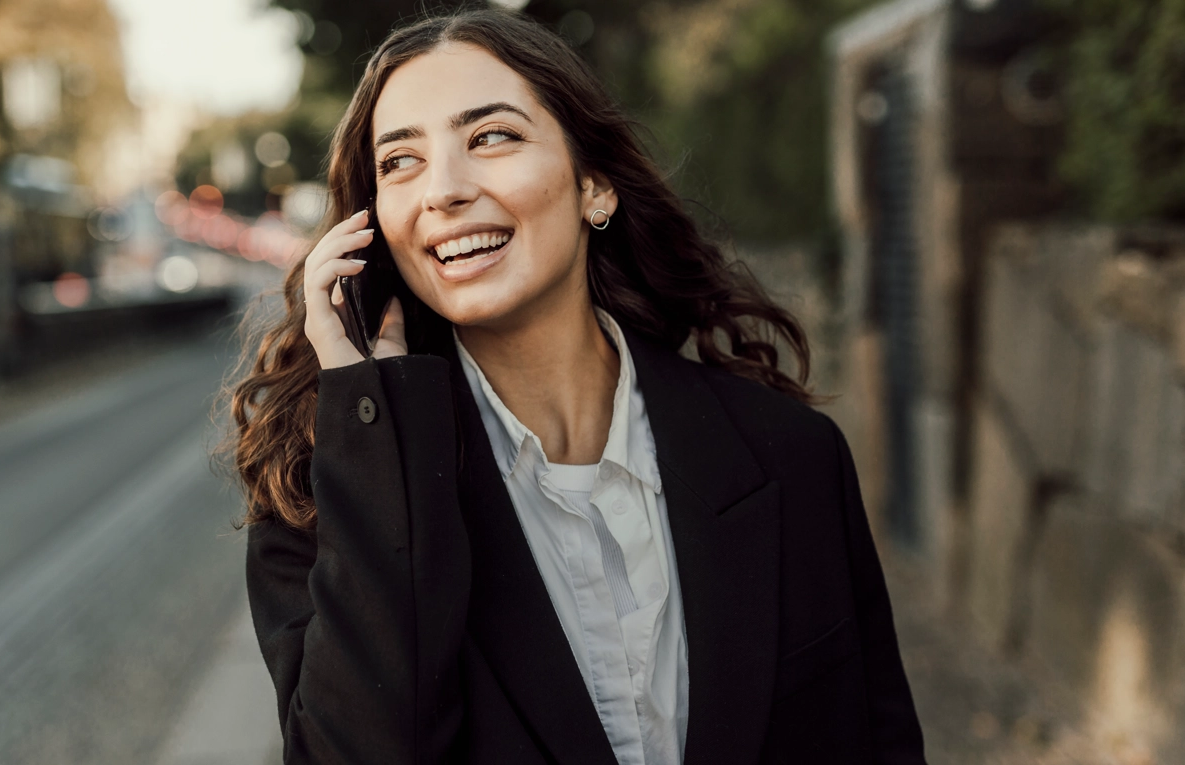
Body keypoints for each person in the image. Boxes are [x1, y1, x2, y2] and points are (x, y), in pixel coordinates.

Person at [222, 8, 925, 764]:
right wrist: (372, 415)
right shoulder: (321, 506)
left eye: (491, 136)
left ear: (595, 186)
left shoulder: (792, 455)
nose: (444, 190)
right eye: (400, 162)